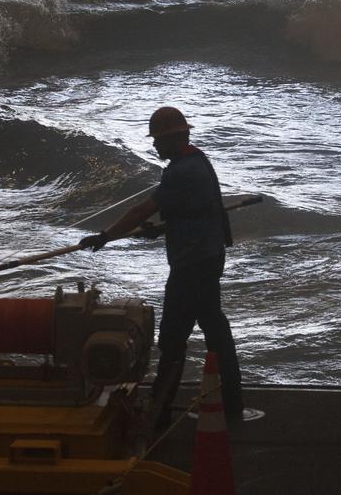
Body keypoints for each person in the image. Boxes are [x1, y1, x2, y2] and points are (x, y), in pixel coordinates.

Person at [80, 106, 243, 428]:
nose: (154, 146)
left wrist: (106, 236)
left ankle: (159, 409)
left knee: (172, 337)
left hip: (192, 264)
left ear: (175, 138)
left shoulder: (182, 171)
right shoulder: (197, 162)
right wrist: (165, 226)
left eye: (158, 140)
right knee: (215, 330)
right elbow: (190, 211)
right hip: (206, 258)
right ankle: (232, 403)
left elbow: (142, 209)